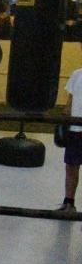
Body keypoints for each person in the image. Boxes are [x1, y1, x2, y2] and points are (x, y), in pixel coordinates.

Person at [59, 50, 82, 213]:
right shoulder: (77, 74)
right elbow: (69, 102)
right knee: (71, 166)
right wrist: (63, 124)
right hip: (75, 129)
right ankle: (69, 201)